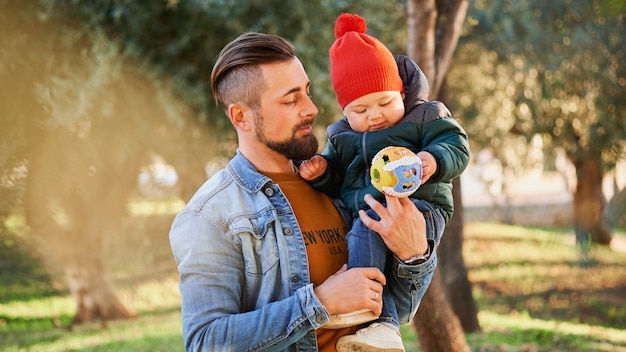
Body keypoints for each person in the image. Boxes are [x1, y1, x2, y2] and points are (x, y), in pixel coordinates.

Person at [169, 30, 438, 352]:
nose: (311, 108)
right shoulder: (211, 216)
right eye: (290, 99)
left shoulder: (339, 183)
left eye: (307, 92)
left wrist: (414, 255)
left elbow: (398, 310)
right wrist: (320, 302)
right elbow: (205, 342)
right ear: (241, 116)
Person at [299, 13, 470, 351]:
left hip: (420, 208)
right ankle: (383, 327)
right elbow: (337, 177)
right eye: (360, 110)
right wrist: (322, 172)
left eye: (384, 102)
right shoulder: (341, 138)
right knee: (365, 239)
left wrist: (433, 159)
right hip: (371, 213)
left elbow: (457, 145)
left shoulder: (423, 117)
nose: (374, 115)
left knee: (366, 227)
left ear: (401, 92)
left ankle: (373, 317)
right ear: (344, 109)